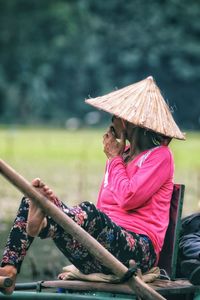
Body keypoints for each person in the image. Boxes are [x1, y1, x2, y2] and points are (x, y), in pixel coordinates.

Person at [0, 76, 185, 294]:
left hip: (137, 252)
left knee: (89, 212)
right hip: (103, 255)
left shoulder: (160, 156)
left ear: (127, 122)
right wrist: (55, 207)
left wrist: (113, 159)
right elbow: (105, 211)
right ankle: (9, 268)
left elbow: (128, 198)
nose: (111, 122)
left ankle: (43, 225)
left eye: (115, 116)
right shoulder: (120, 157)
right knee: (32, 198)